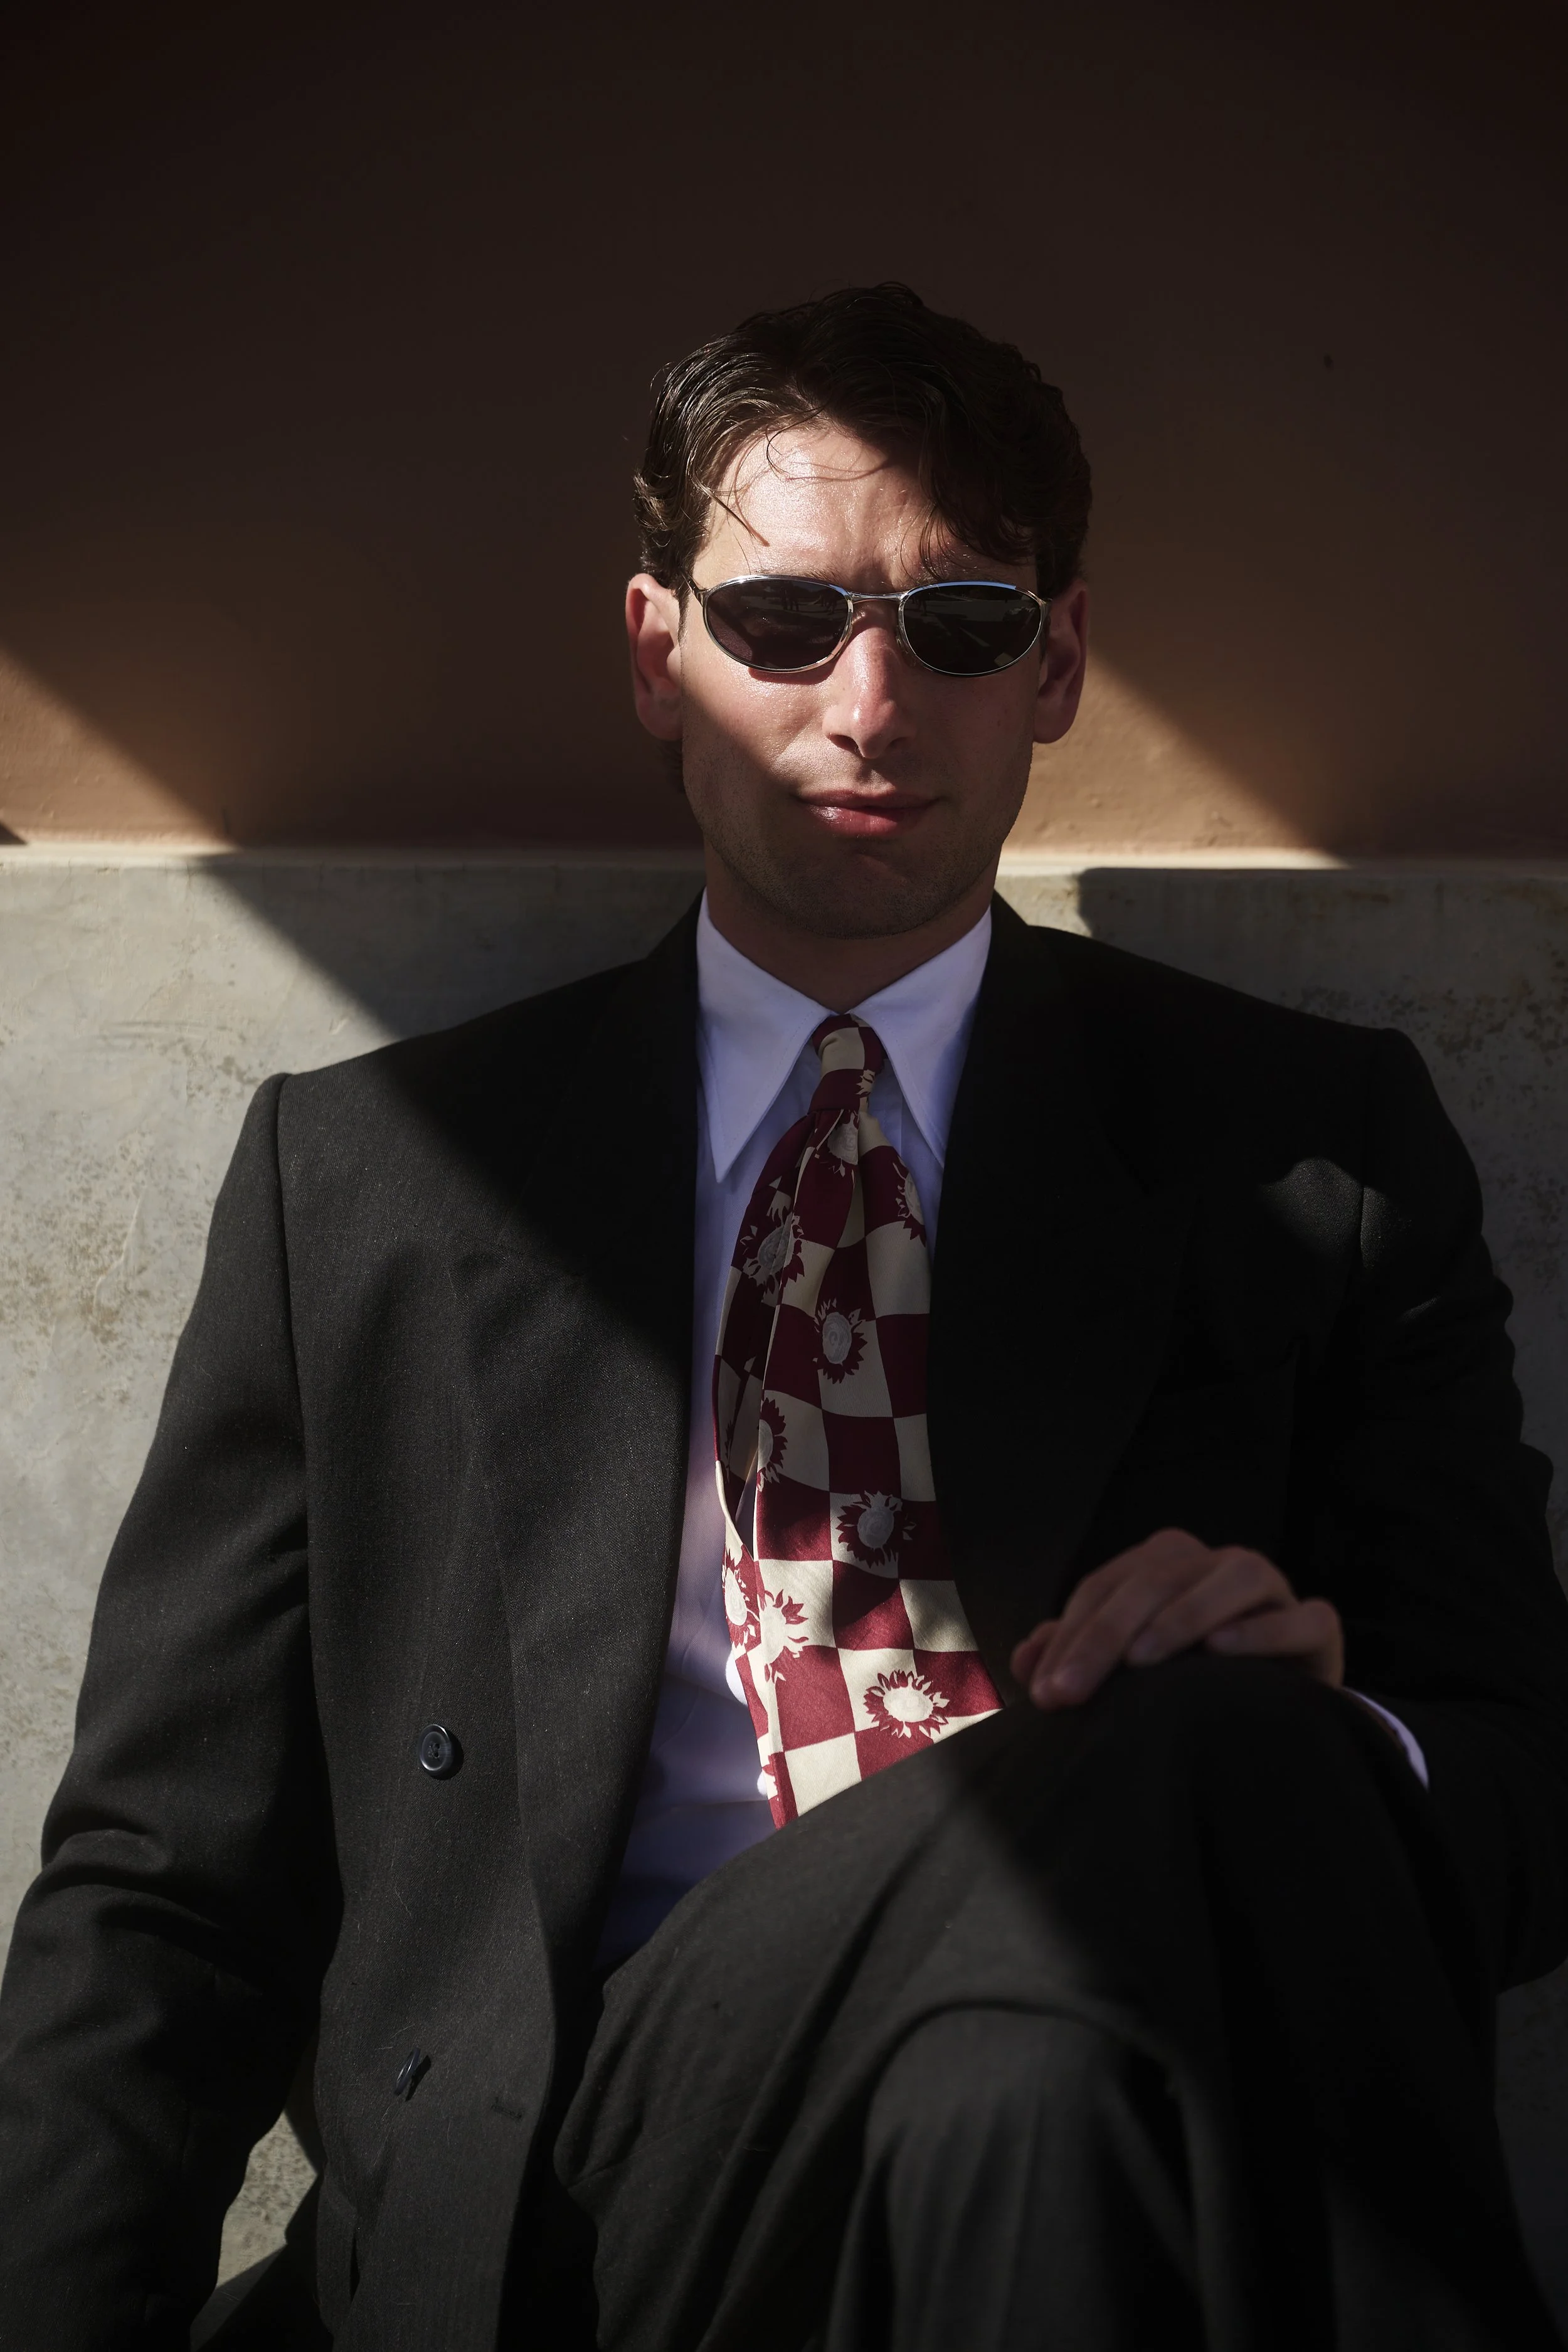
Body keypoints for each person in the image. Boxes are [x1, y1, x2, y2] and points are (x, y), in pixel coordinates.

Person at [1, 283, 1565, 2352]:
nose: (870, 702)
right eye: (781, 622)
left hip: (1065, 2129)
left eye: (961, 625)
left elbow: (1527, 1788)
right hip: (586, 2184)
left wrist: (1332, 1732)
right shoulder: (373, 1177)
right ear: (657, 653)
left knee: (1057, 2025)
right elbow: (167, 1886)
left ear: (1056, 665)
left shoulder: (1309, 1149)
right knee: (1160, 1793)